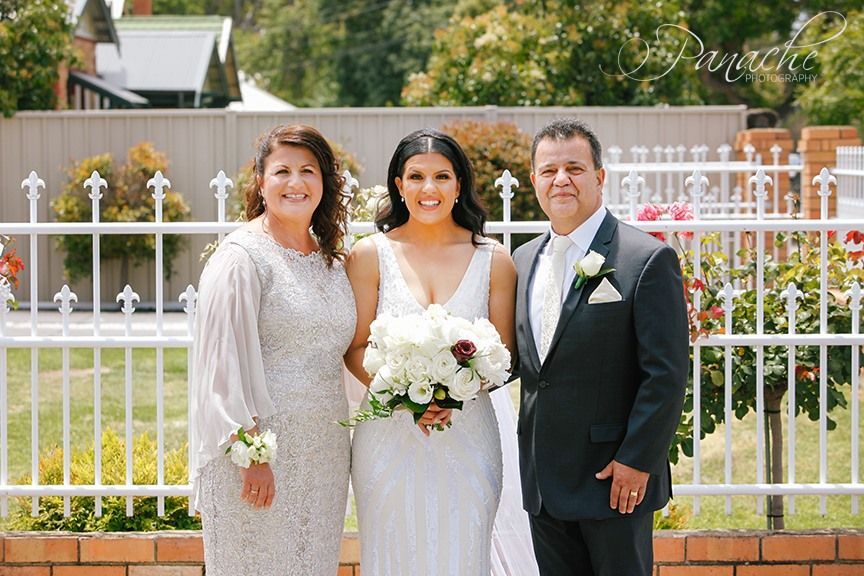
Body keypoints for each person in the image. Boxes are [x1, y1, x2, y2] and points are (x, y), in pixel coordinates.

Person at [345, 128, 537, 575]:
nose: (428, 189)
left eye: (442, 177)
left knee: (463, 553)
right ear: (398, 184)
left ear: (459, 185)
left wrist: (450, 395)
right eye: (415, 176)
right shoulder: (369, 255)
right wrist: (405, 395)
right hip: (388, 439)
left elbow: (504, 357)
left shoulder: (494, 260)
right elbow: (355, 348)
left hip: (468, 437)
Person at [512, 118, 688, 576]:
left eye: (574, 167)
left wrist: (636, 459)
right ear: (534, 181)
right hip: (544, 480)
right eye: (549, 171)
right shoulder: (523, 259)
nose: (561, 180)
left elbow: (665, 375)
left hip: (613, 477)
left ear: (599, 177)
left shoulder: (645, 258)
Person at [191, 124, 356, 576]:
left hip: (324, 451)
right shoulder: (241, 258)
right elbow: (220, 367)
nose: (296, 182)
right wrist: (251, 455)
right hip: (261, 458)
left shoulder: (330, 261)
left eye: (308, 170)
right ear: (261, 182)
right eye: (282, 171)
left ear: (325, 182)